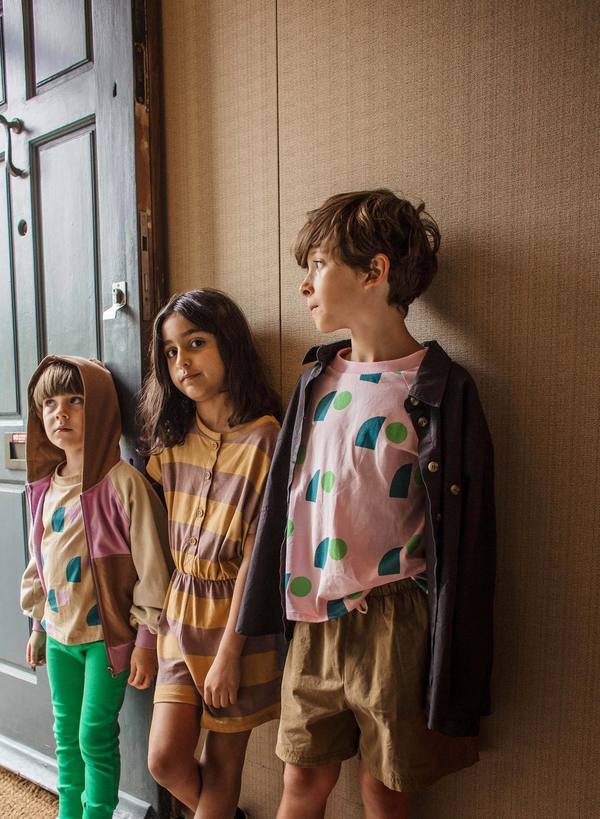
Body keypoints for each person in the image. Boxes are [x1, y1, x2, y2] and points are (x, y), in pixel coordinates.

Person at [237, 189, 496, 819]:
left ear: (374, 271)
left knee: (384, 788)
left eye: (318, 264)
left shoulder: (439, 389)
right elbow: (283, 502)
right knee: (301, 780)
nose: (305, 285)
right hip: (314, 614)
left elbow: (470, 534)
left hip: (394, 620)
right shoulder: (315, 380)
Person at [139, 289, 282, 819]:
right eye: (171, 352)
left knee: (223, 767)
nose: (182, 361)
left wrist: (228, 655)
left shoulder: (267, 439)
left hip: (238, 623)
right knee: (164, 760)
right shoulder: (171, 441)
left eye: (195, 343)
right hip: (180, 612)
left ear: (230, 344)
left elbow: (256, 560)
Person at [21, 356, 172, 819]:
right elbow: (40, 562)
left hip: (107, 639)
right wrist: (37, 625)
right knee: (66, 736)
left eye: (75, 401)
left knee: (94, 735)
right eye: (49, 404)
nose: (60, 413)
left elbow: (153, 566)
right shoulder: (44, 488)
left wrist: (146, 640)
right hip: (59, 635)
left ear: (101, 409)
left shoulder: (122, 484)